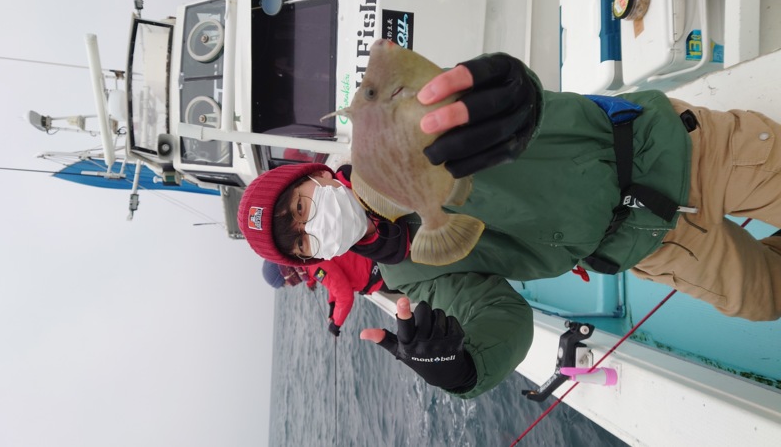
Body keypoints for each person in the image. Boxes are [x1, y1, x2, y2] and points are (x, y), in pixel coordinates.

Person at [238, 50, 781, 399]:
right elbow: (504, 316)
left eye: (299, 206)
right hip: (647, 245)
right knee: (763, 299)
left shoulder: (397, 130)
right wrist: (467, 365)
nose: (310, 225)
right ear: (315, 260)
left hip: (679, 153)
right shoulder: (407, 275)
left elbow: (458, 99)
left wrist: (517, 97)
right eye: (300, 239)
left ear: (319, 178)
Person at [262, 251, 399, 337]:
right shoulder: (307, 261)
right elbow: (334, 280)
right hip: (375, 268)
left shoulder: (314, 268)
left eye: (284, 284)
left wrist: (336, 324)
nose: (289, 286)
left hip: (381, 274)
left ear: (286, 273)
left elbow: (345, 295)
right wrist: (332, 305)